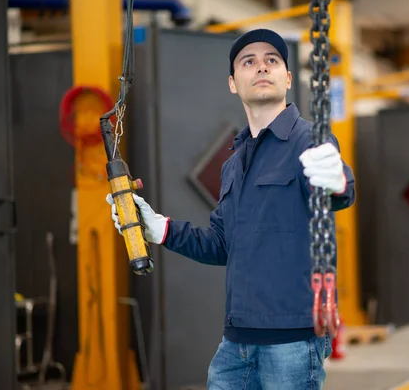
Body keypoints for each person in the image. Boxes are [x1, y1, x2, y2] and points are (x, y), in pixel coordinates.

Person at [106, 28, 355, 389]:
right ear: (233, 83)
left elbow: (342, 190)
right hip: (235, 344)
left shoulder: (309, 139)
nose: (261, 68)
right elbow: (222, 244)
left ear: (287, 78)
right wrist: (158, 228)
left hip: (291, 342)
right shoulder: (234, 162)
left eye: (272, 60)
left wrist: (339, 182)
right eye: (248, 62)